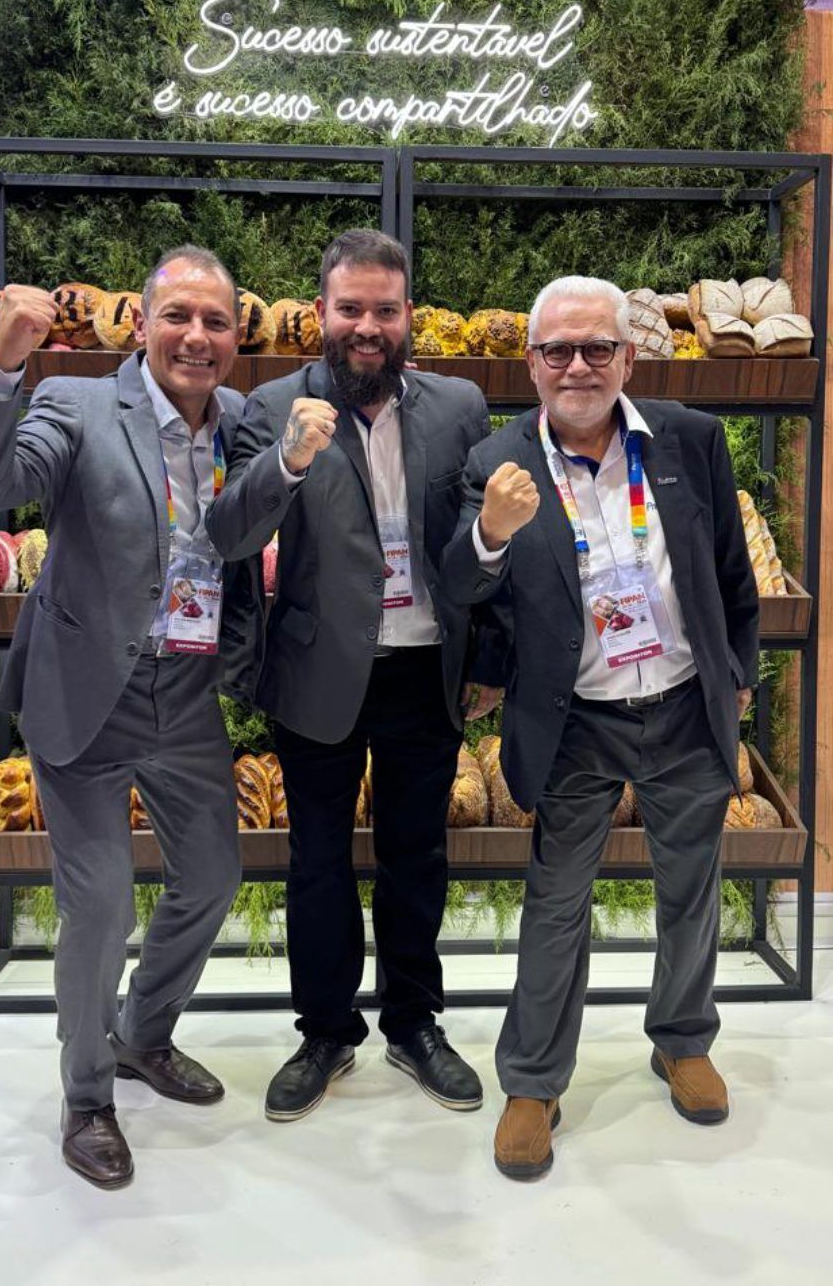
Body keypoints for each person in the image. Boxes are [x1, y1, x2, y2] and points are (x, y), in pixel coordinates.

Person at [0, 246, 263, 1190]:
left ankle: (141, 1035)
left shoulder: (243, 420)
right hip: (85, 692)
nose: (196, 337)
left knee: (212, 877)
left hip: (186, 689)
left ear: (236, 337)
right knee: (100, 903)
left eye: (215, 322)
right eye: (178, 316)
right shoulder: (78, 404)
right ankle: (87, 1095)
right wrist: (5, 366)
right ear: (143, 321)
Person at [441, 275, 758, 1181]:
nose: (576, 366)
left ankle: (683, 1039)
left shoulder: (690, 441)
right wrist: (491, 535)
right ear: (531, 362)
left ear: (628, 355)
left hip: (686, 705)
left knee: (691, 886)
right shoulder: (497, 458)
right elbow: (461, 588)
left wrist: (735, 672)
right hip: (575, 719)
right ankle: (534, 1081)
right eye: (556, 351)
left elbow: (730, 573)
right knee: (556, 902)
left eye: (596, 349)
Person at [207, 229, 504, 1122]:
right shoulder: (269, 407)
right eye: (350, 309)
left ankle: (415, 1023)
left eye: (384, 309)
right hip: (315, 671)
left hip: (425, 668)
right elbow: (230, 536)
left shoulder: (459, 405)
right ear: (320, 313)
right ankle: (327, 1030)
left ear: (408, 315)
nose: (367, 326)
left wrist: (487, 656)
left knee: (419, 855)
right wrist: (288, 461)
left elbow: (479, 536)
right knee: (319, 862)